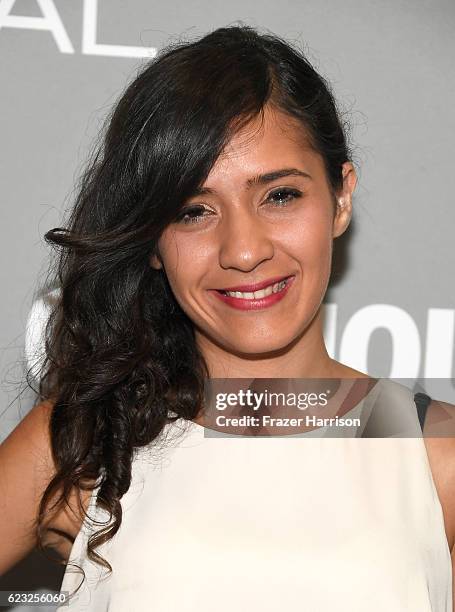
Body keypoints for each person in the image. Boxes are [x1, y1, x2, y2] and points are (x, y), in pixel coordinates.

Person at [0, 24, 454, 611]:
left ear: (341, 198)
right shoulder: (85, 442)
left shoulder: (435, 452)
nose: (243, 250)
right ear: (153, 242)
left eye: (280, 195)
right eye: (193, 210)